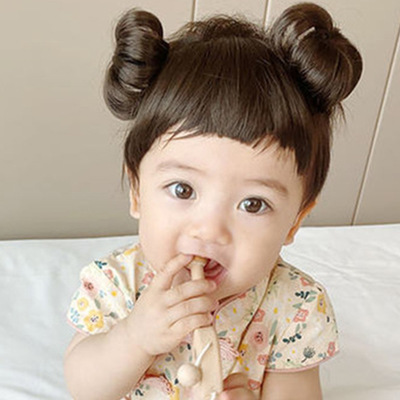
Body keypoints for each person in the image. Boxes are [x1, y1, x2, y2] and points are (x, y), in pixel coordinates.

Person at [64, 2, 362, 399]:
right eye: (183, 190)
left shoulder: (294, 305)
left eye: (253, 204)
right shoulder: (117, 283)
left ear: (295, 220)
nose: (210, 230)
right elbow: (83, 388)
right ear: (137, 192)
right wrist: (134, 338)